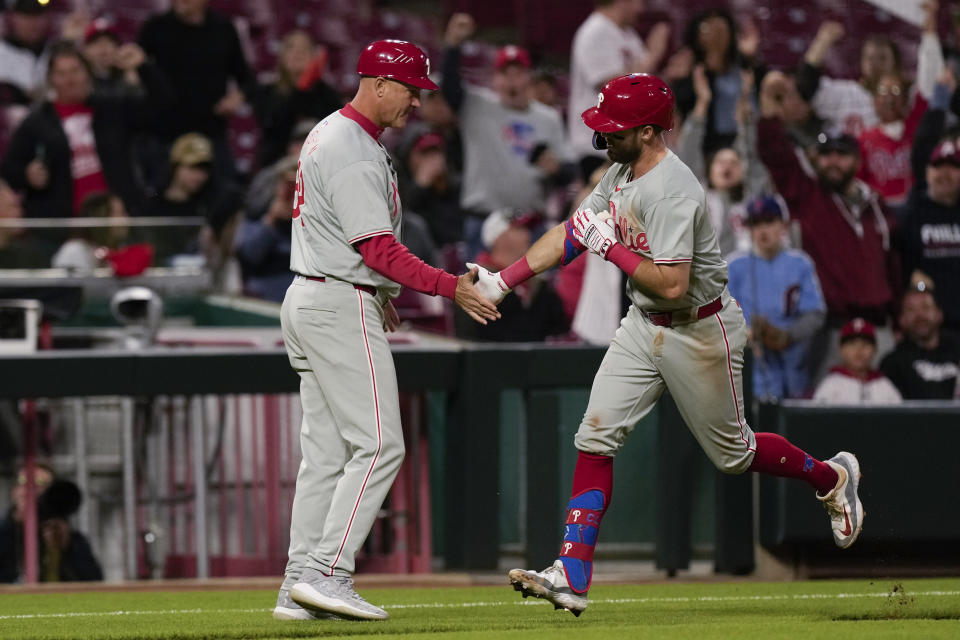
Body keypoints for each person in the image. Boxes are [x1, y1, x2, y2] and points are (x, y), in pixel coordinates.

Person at [469, 74, 864, 616]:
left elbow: (674, 283)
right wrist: (504, 278)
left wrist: (613, 251)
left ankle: (831, 476)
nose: (603, 136)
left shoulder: (674, 188)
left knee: (734, 455)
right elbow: (574, 230)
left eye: (616, 128)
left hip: (700, 327)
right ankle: (572, 570)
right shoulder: (622, 169)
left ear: (652, 132)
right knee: (595, 435)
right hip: (643, 322)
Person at [275, 40, 499, 622]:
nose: (416, 102)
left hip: (318, 294)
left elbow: (359, 250)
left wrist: (380, 294)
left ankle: (297, 583)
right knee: (380, 444)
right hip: (336, 302)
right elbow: (375, 248)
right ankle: (329, 572)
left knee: (325, 454)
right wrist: (451, 286)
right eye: (409, 89)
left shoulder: (334, 132)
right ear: (377, 83)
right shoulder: (350, 147)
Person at [757, 71, 901, 379]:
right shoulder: (808, 197)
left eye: (842, 154)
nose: (833, 161)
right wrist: (769, 108)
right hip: (832, 331)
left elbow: (894, 269)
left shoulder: (877, 207)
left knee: (887, 417)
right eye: (826, 155)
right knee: (827, 419)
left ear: (857, 161)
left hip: (881, 330)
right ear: (815, 159)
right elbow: (776, 155)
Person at [442, 13, 575, 260]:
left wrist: (556, 170)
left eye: (518, 73)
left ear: (528, 78)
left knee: (532, 296)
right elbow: (450, 88)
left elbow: (569, 171)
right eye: (505, 73)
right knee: (476, 293)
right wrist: (453, 46)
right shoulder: (477, 105)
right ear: (495, 79)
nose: (512, 80)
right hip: (483, 220)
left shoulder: (548, 117)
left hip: (530, 224)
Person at [0, 41, 167, 218]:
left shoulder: (113, 109)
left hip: (118, 217)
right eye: (61, 73)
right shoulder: (36, 123)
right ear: (51, 79)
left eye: (75, 71)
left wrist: (143, 67)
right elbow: (10, 171)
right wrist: (28, 175)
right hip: (64, 224)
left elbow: (162, 109)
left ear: (89, 73)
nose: (70, 80)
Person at [138, 0, 255, 183]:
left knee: (228, 196)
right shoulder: (156, 27)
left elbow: (246, 79)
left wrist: (237, 97)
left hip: (211, 130)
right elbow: (135, 69)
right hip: (165, 133)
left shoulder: (223, 28)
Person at [727, 196, 826, 400]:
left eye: (769, 222)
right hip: (747, 373)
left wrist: (788, 334)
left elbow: (815, 313)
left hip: (793, 369)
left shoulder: (800, 263)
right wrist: (743, 334)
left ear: (783, 225)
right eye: (756, 224)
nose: (763, 230)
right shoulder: (734, 266)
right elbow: (717, 317)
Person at [567, 0, 670, 180]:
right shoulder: (596, 31)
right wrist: (653, 55)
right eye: (638, 2)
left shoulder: (627, 34)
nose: (641, 9)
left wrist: (671, 75)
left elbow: (643, 88)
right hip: (599, 148)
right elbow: (613, 88)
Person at [900, 70, 960, 331]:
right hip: (931, 332)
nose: (944, 174)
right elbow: (923, 146)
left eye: (953, 167)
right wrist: (938, 103)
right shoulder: (913, 214)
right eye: (938, 167)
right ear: (927, 172)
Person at [672, 8, 764, 156]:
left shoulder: (746, 67)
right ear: (697, 37)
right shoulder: (693, 74)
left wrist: (752, 57)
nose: (717, 35)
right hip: (709, 148)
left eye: (722, 30)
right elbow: (682, 110)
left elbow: (764, 97)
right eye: (710, 30)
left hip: (749, 143)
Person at [0, 463, 102, 583]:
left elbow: (94, 582)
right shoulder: (3, 533)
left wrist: (67, 548)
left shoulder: (69, 538)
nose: (30, 490)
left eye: (40, 484)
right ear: (14, 491)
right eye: (23, 482)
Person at [880, 284, 959, 400]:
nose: (919, 315)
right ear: (902, 320)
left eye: (925, 307)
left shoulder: (957, 352)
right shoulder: (892, 364)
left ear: (939, 315)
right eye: (911, 309)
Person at [812, 318, 902, 404]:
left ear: (875, 350)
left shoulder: (884, 385)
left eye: (865, 344)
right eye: (852, 344)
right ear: (841, 349)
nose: (859, 350)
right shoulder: (830, 385)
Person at [0, 0, 53, 107]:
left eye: (37, 15)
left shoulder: (56, 50)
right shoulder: (2, 51)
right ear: (13, 18)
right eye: (26, 16)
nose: (32, 23)